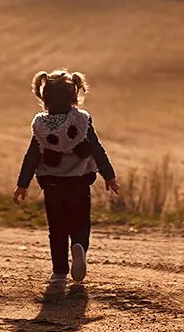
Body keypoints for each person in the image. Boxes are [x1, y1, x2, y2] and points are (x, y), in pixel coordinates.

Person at [12, 69, 120, 291]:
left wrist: (22, 184)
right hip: (79, 183)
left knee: (57, 229)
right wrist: (108, 176)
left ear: (44, 97)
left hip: (53, 186)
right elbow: (97, 150)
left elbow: (32, 156)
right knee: (80, 223)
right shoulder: (82, 121)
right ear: (75, 95)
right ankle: (79, 246)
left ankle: (59, 273)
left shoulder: (40, 127)